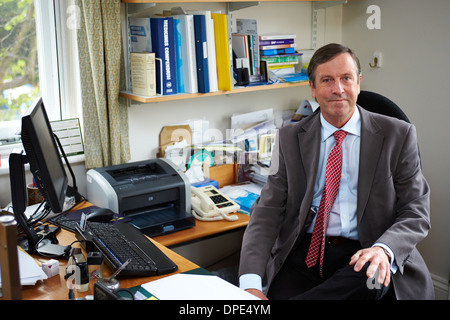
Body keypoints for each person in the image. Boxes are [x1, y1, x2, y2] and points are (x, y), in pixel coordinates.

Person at [238, 43, 434, 300]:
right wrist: (250, 283)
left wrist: (384, 250)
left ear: (358, 82)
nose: (338, 89)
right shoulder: (290, 137)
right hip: (306, 252)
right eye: (327, 80)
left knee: (373, 278)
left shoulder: (397, 135)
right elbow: (267, 210)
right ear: (313, 88)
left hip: (366, 250)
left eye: (346, 78)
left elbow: (416, 211)